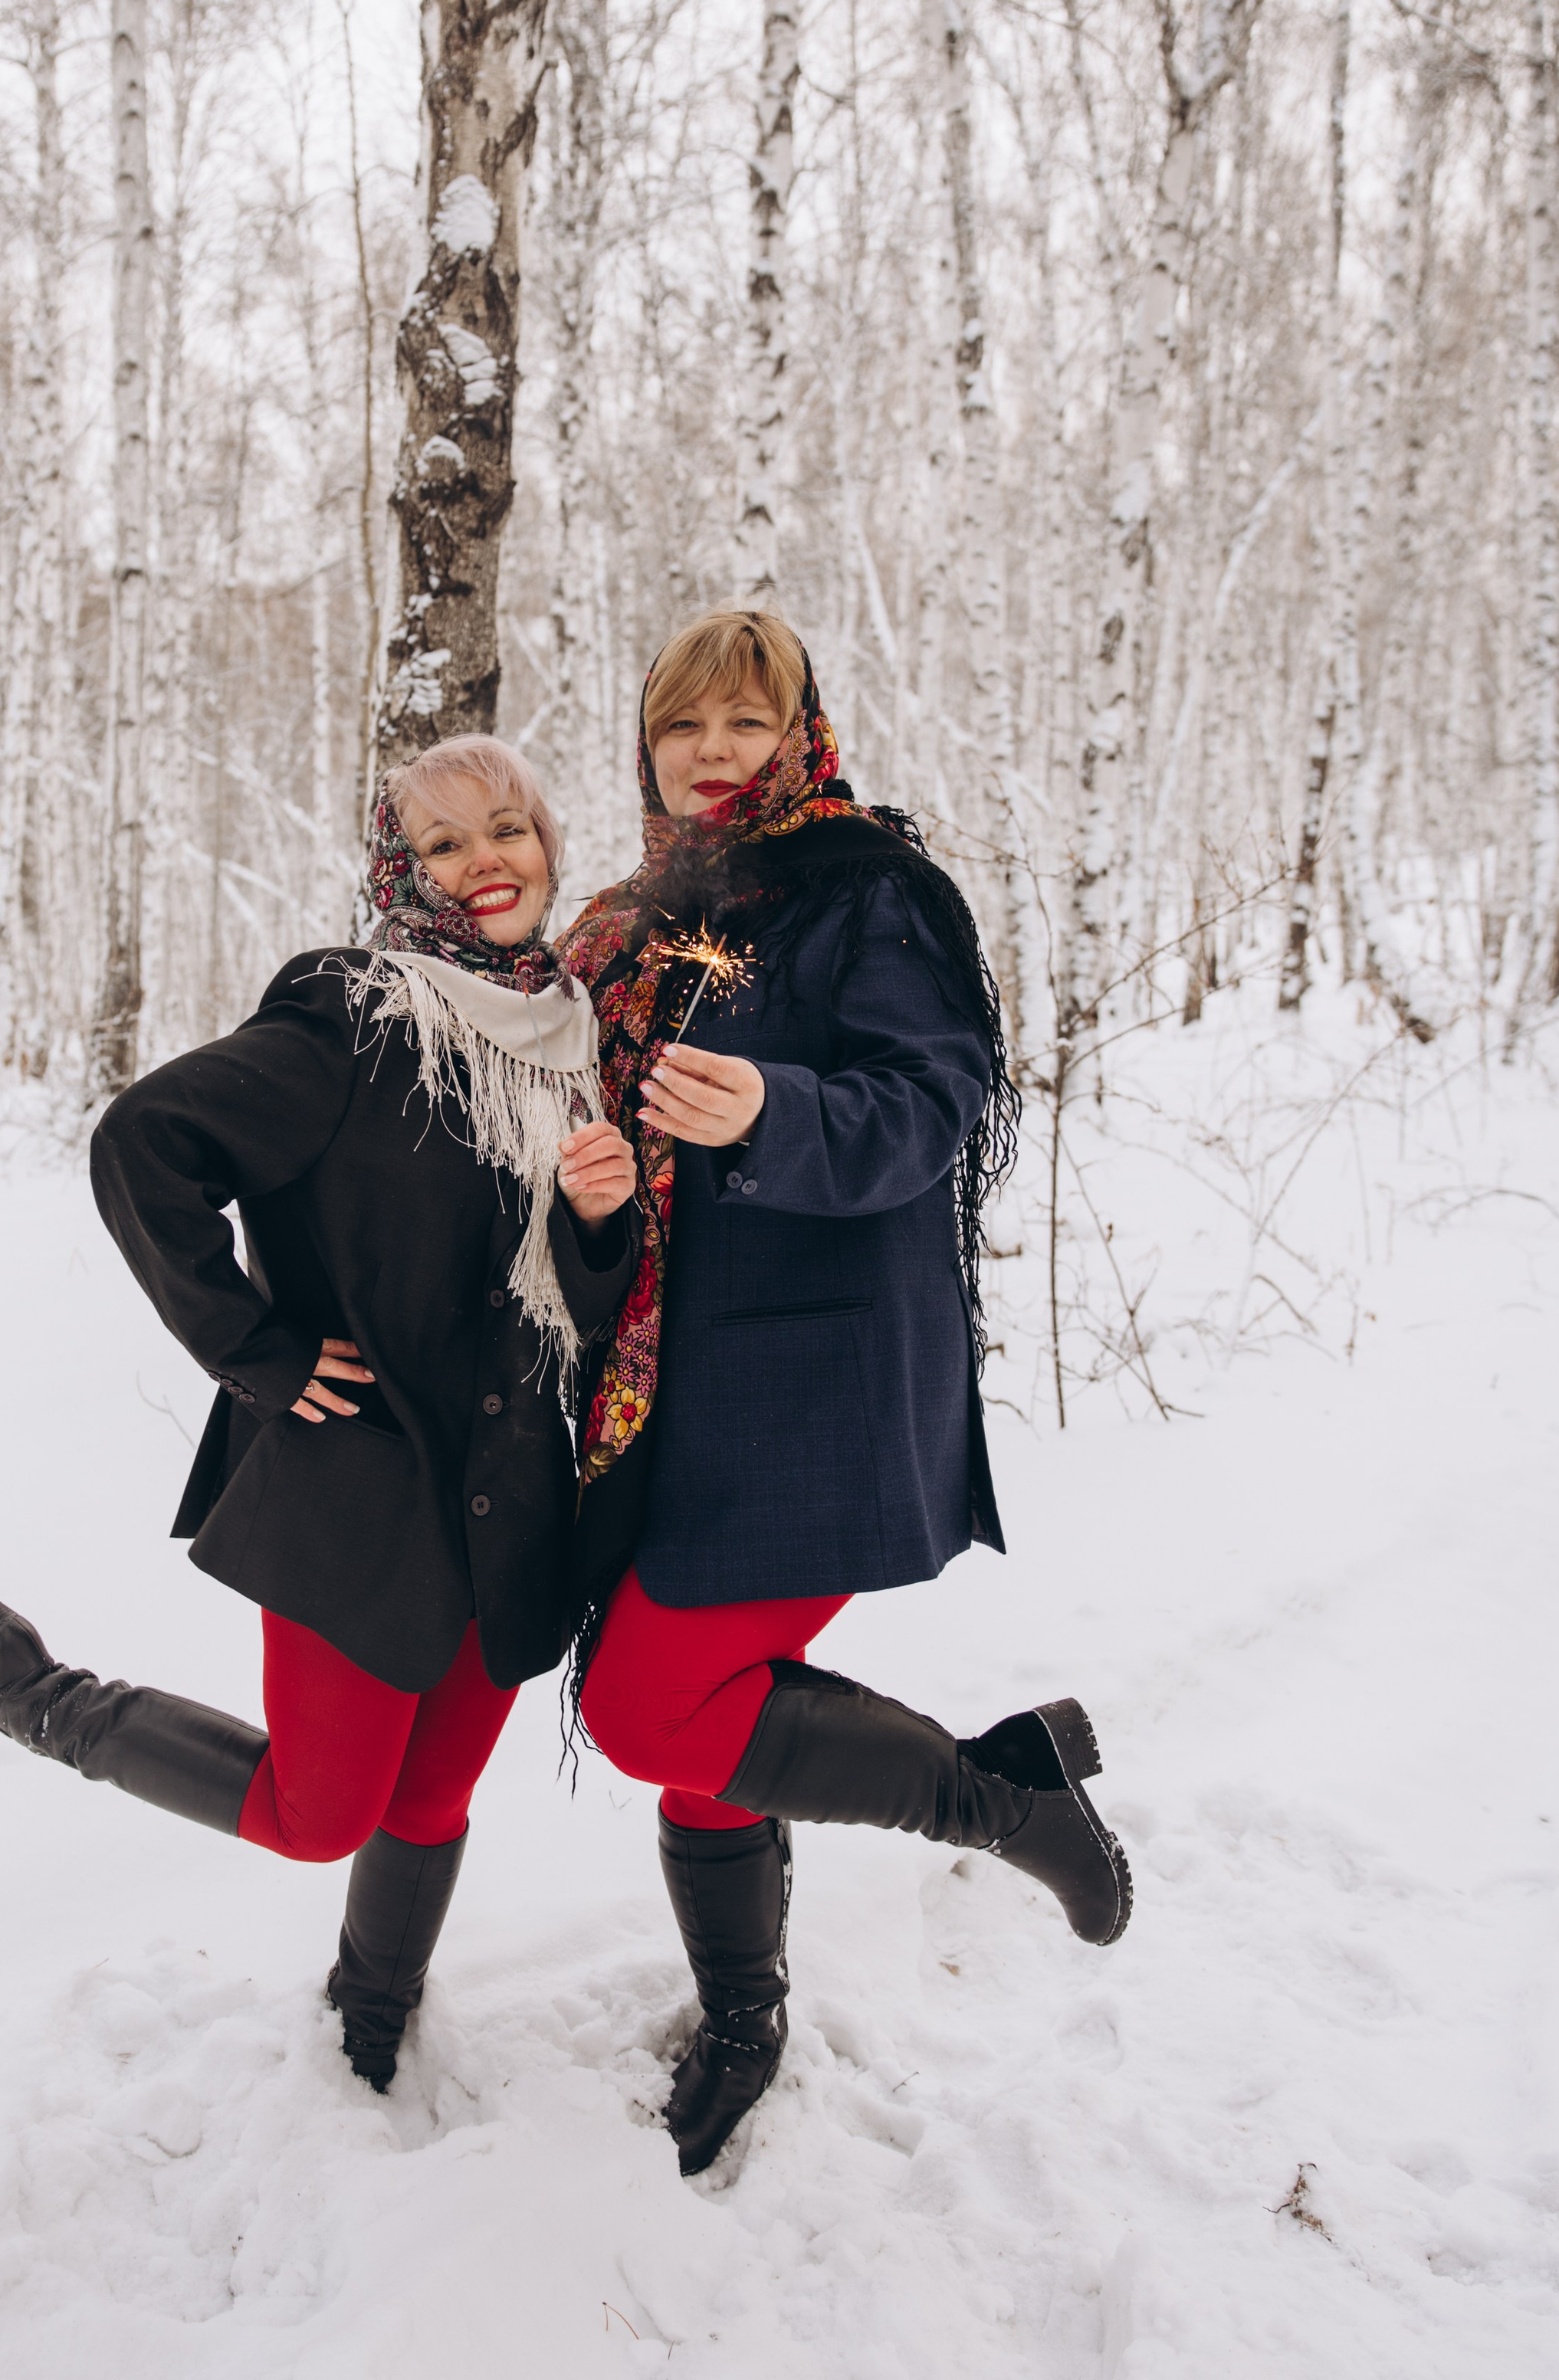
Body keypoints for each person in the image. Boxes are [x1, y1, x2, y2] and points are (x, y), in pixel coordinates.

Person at [0, 739, 638, 2092]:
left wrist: (594, 1223)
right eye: (447, 844)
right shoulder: (354, 1019)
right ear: (401, 873)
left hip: (515, 1492)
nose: (487, 863)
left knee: (431, 1798)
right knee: (317, 1813)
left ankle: (373, 2012)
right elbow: (143, 1146)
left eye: (509, 828)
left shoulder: (573, 1035)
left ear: (548, 843)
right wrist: (258, 1350)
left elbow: (565, 1305)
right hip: (367, 1489)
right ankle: (18, 1684)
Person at [560, 609, 1132, 2178]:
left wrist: (772, 1106)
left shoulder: (869, 891)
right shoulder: (628, 918)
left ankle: (1005, 1801)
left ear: (799, 732)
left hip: (814, 1385)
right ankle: (742, 2016)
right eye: (682, 726)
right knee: (714, 1716)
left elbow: (934, 1102)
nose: (711, 753)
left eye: (744, 722)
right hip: (654, 1392)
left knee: (652, 1706)